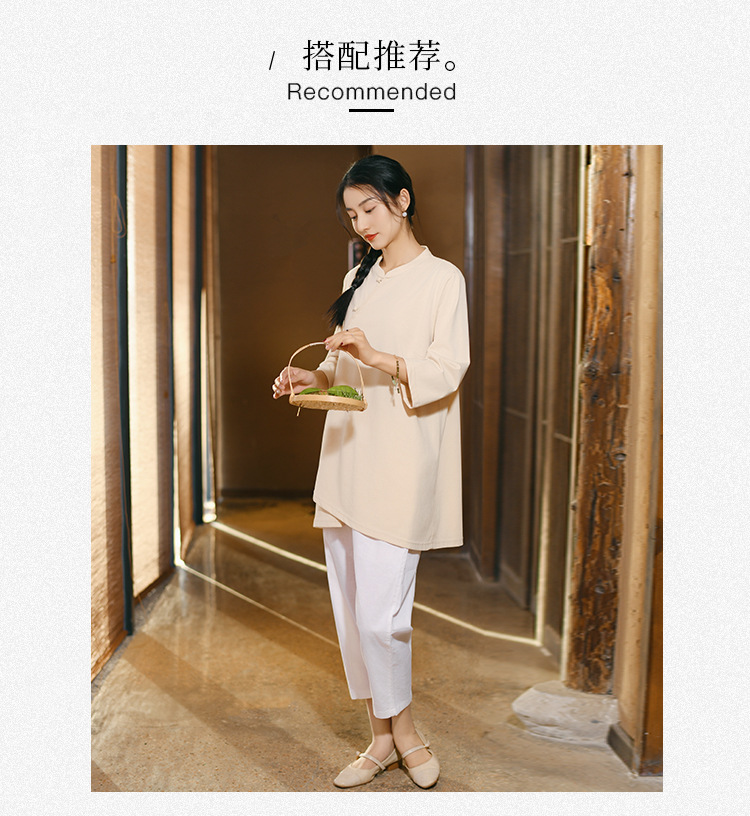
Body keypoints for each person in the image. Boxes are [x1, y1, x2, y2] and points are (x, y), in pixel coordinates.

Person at [272, 154, 470, 789]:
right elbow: (342, 372)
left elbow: (447, 369)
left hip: (401, 461)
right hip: (347, 457)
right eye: (353, 215)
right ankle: (381, 740)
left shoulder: (442, 279)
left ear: (402, 201)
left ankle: (405, 733)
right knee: (354, 610)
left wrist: (377, 354)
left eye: (371, 208)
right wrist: (312, 376)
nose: (362, 224)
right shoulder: (357, 277)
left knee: (384, 616)